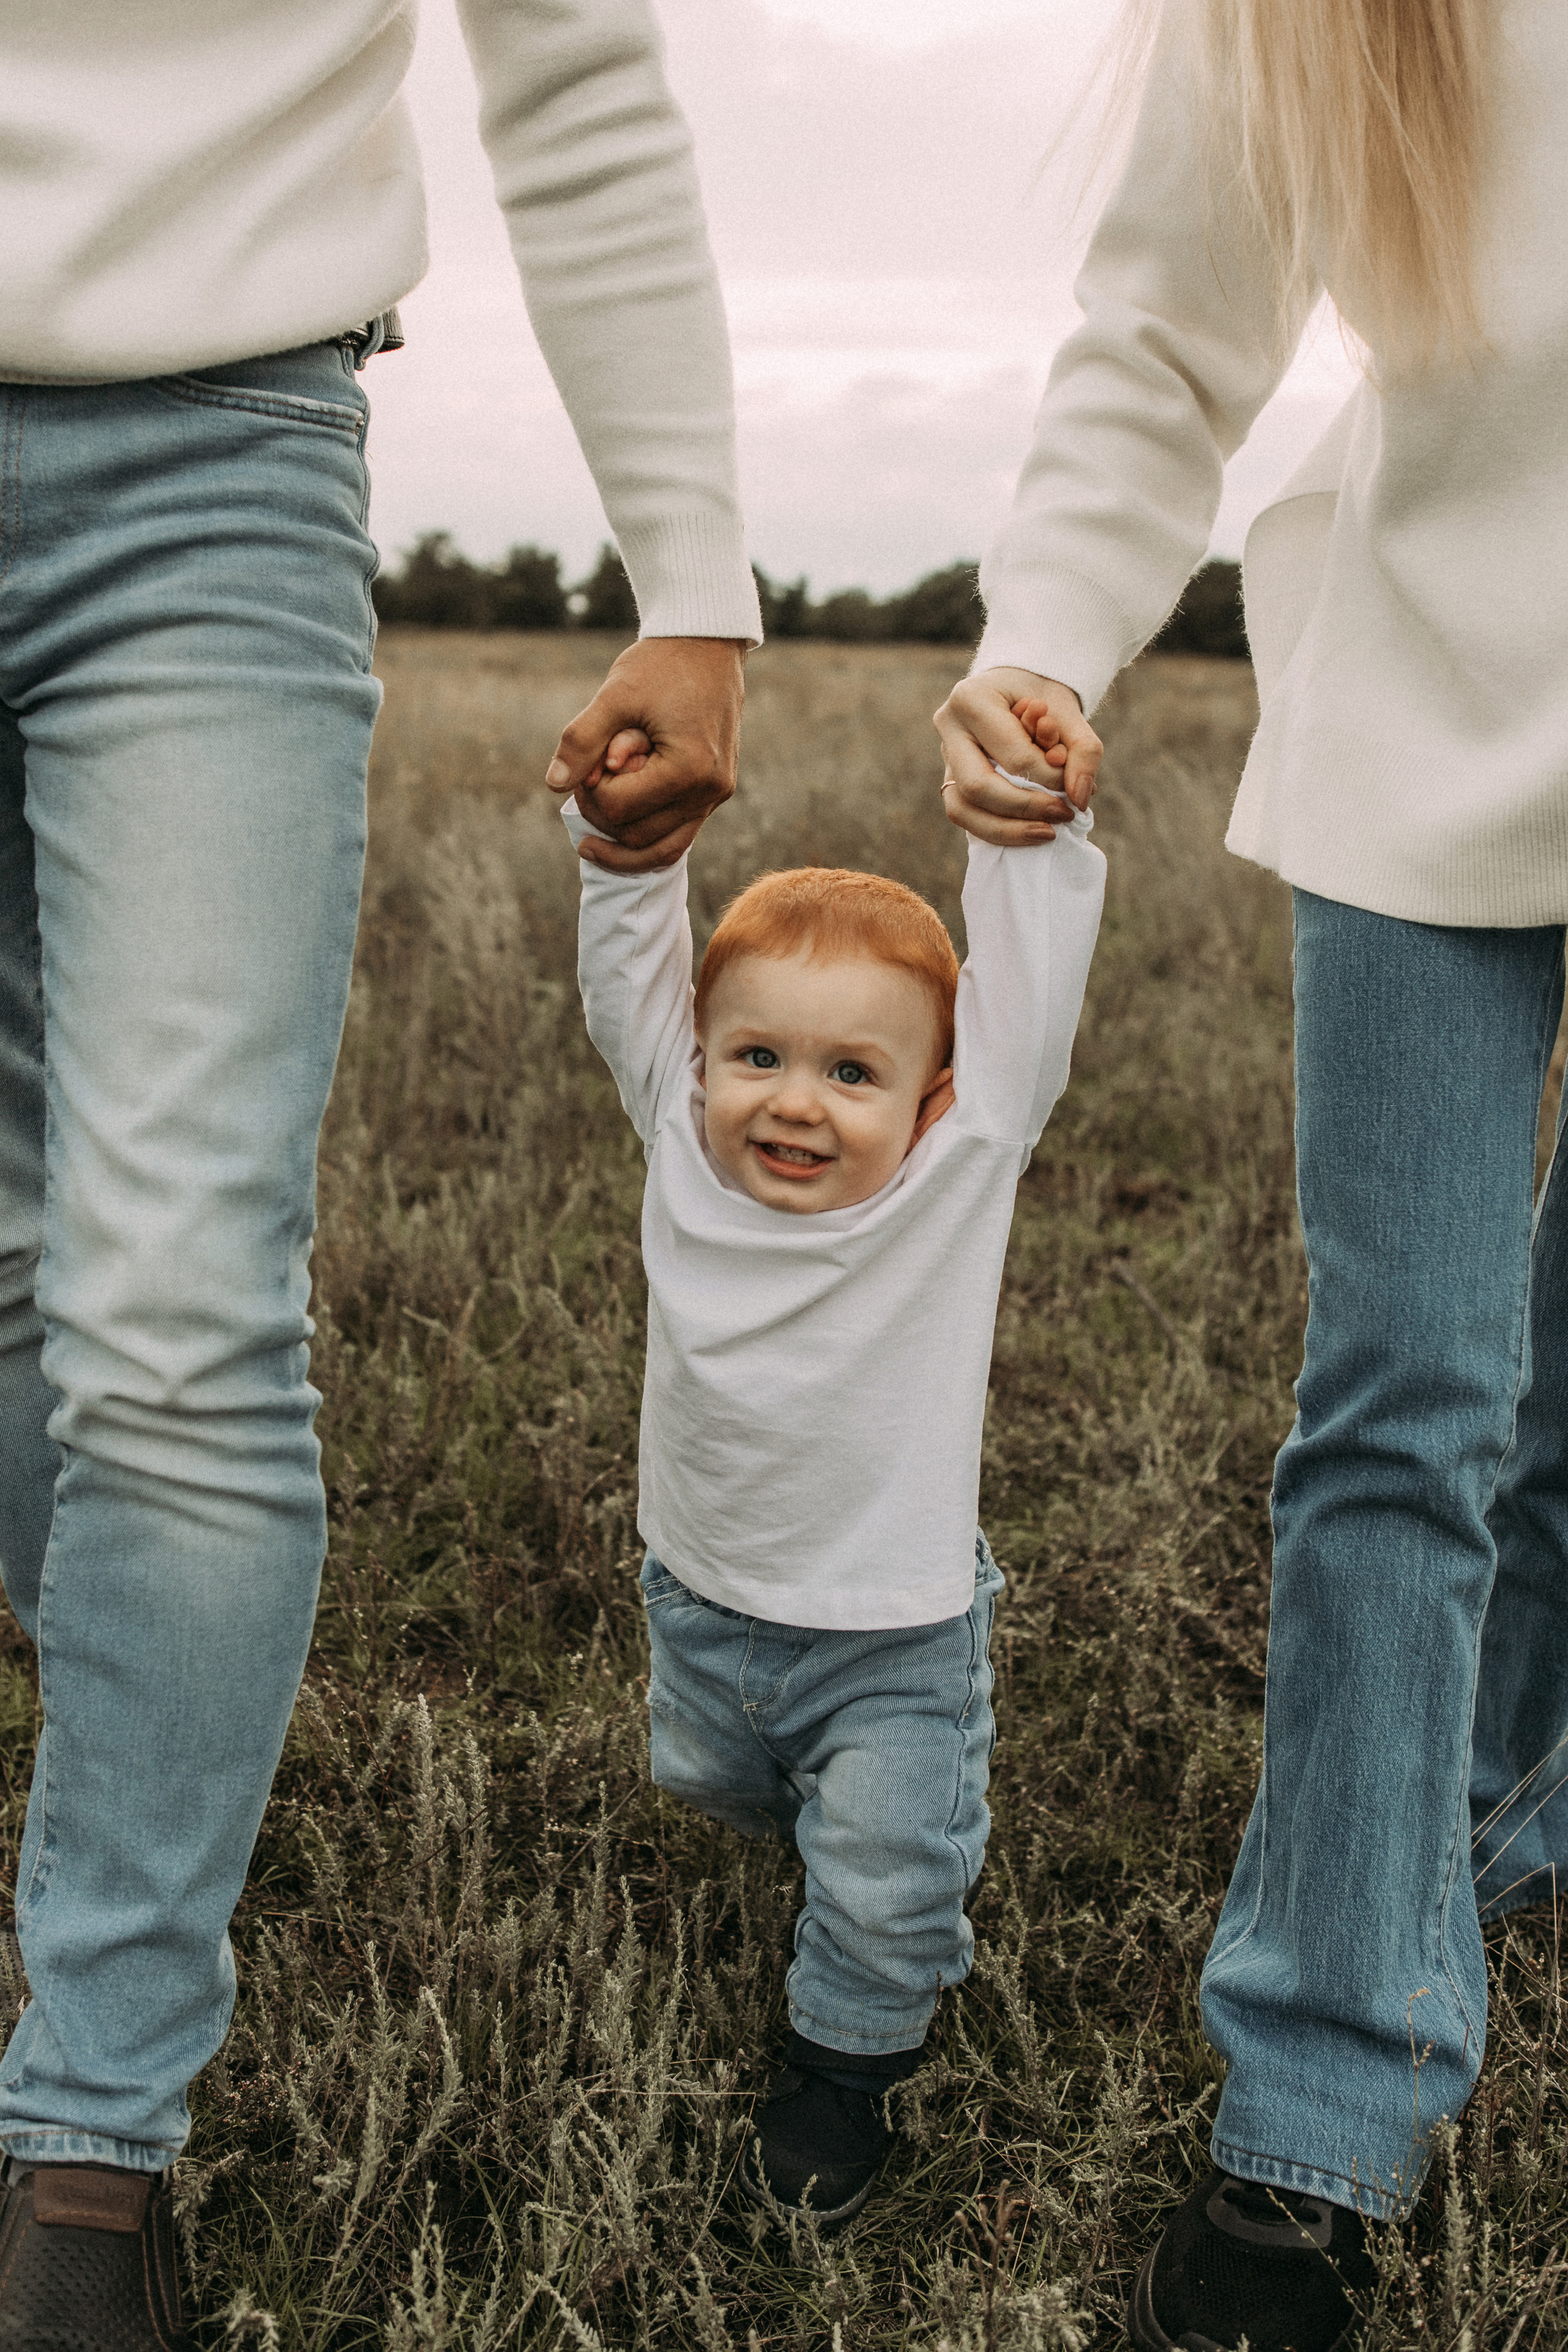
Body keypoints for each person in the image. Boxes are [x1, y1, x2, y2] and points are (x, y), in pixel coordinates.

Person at [0, 1, 760, 2339]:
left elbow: (578, 70)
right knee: (44, 1302)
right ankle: (148, 1699)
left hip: (214, 468)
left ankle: (86, 2156)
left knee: (175, 1320)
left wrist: (699, 569)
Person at [936, 0, 1563, 2346]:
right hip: (1422, 719)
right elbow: (1166, 335)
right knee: (1406, 1410)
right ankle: (1316, 2101)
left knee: (1562, 1431)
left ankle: (1483, 1829)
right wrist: (1042, 640)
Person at [558, 717, 1104, 2225]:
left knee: (877, 1876)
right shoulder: (681, 1142)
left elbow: (1025, 1013)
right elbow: (629, 989)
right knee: (708, 1783)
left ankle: (843, 2069)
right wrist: (625, 850)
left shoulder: (959, 1165)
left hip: (894, 1630)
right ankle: (857, 1854)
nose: (794, 1102)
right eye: (758, 1056)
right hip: (702, 1599)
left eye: (853, 1072)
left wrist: (1026, 838)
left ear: (934, 1096)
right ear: (702, 1061)